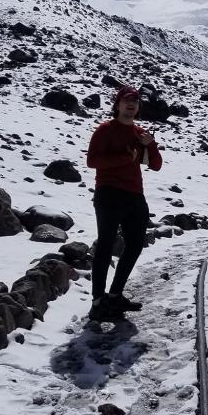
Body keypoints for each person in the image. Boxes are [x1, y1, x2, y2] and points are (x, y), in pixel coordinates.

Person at [85, 86, 163, 322]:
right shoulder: (105, 130)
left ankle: (115, 294)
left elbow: (156, 165)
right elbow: (92, 161)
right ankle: (98, 302)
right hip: (108, 193)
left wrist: (150, 144)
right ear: (117, 105)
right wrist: (124, 158)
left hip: (134, 195)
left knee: (136, 244)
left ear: (138, 108)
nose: (131, 104)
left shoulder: (139, 134)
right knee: (106, 246)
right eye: (126, 100)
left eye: (135, 101)